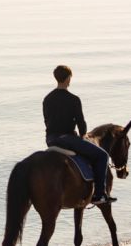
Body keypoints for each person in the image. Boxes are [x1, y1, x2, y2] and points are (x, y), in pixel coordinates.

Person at [43, 64, 112, 205]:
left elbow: (47, 121)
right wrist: (82, 136)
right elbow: (81, 123)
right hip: (67, 139)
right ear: (68, 78)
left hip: (51, 140)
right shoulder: (73, 99)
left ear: (56, 78)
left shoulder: (47, 99)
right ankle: (99, 195)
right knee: (102, 155)